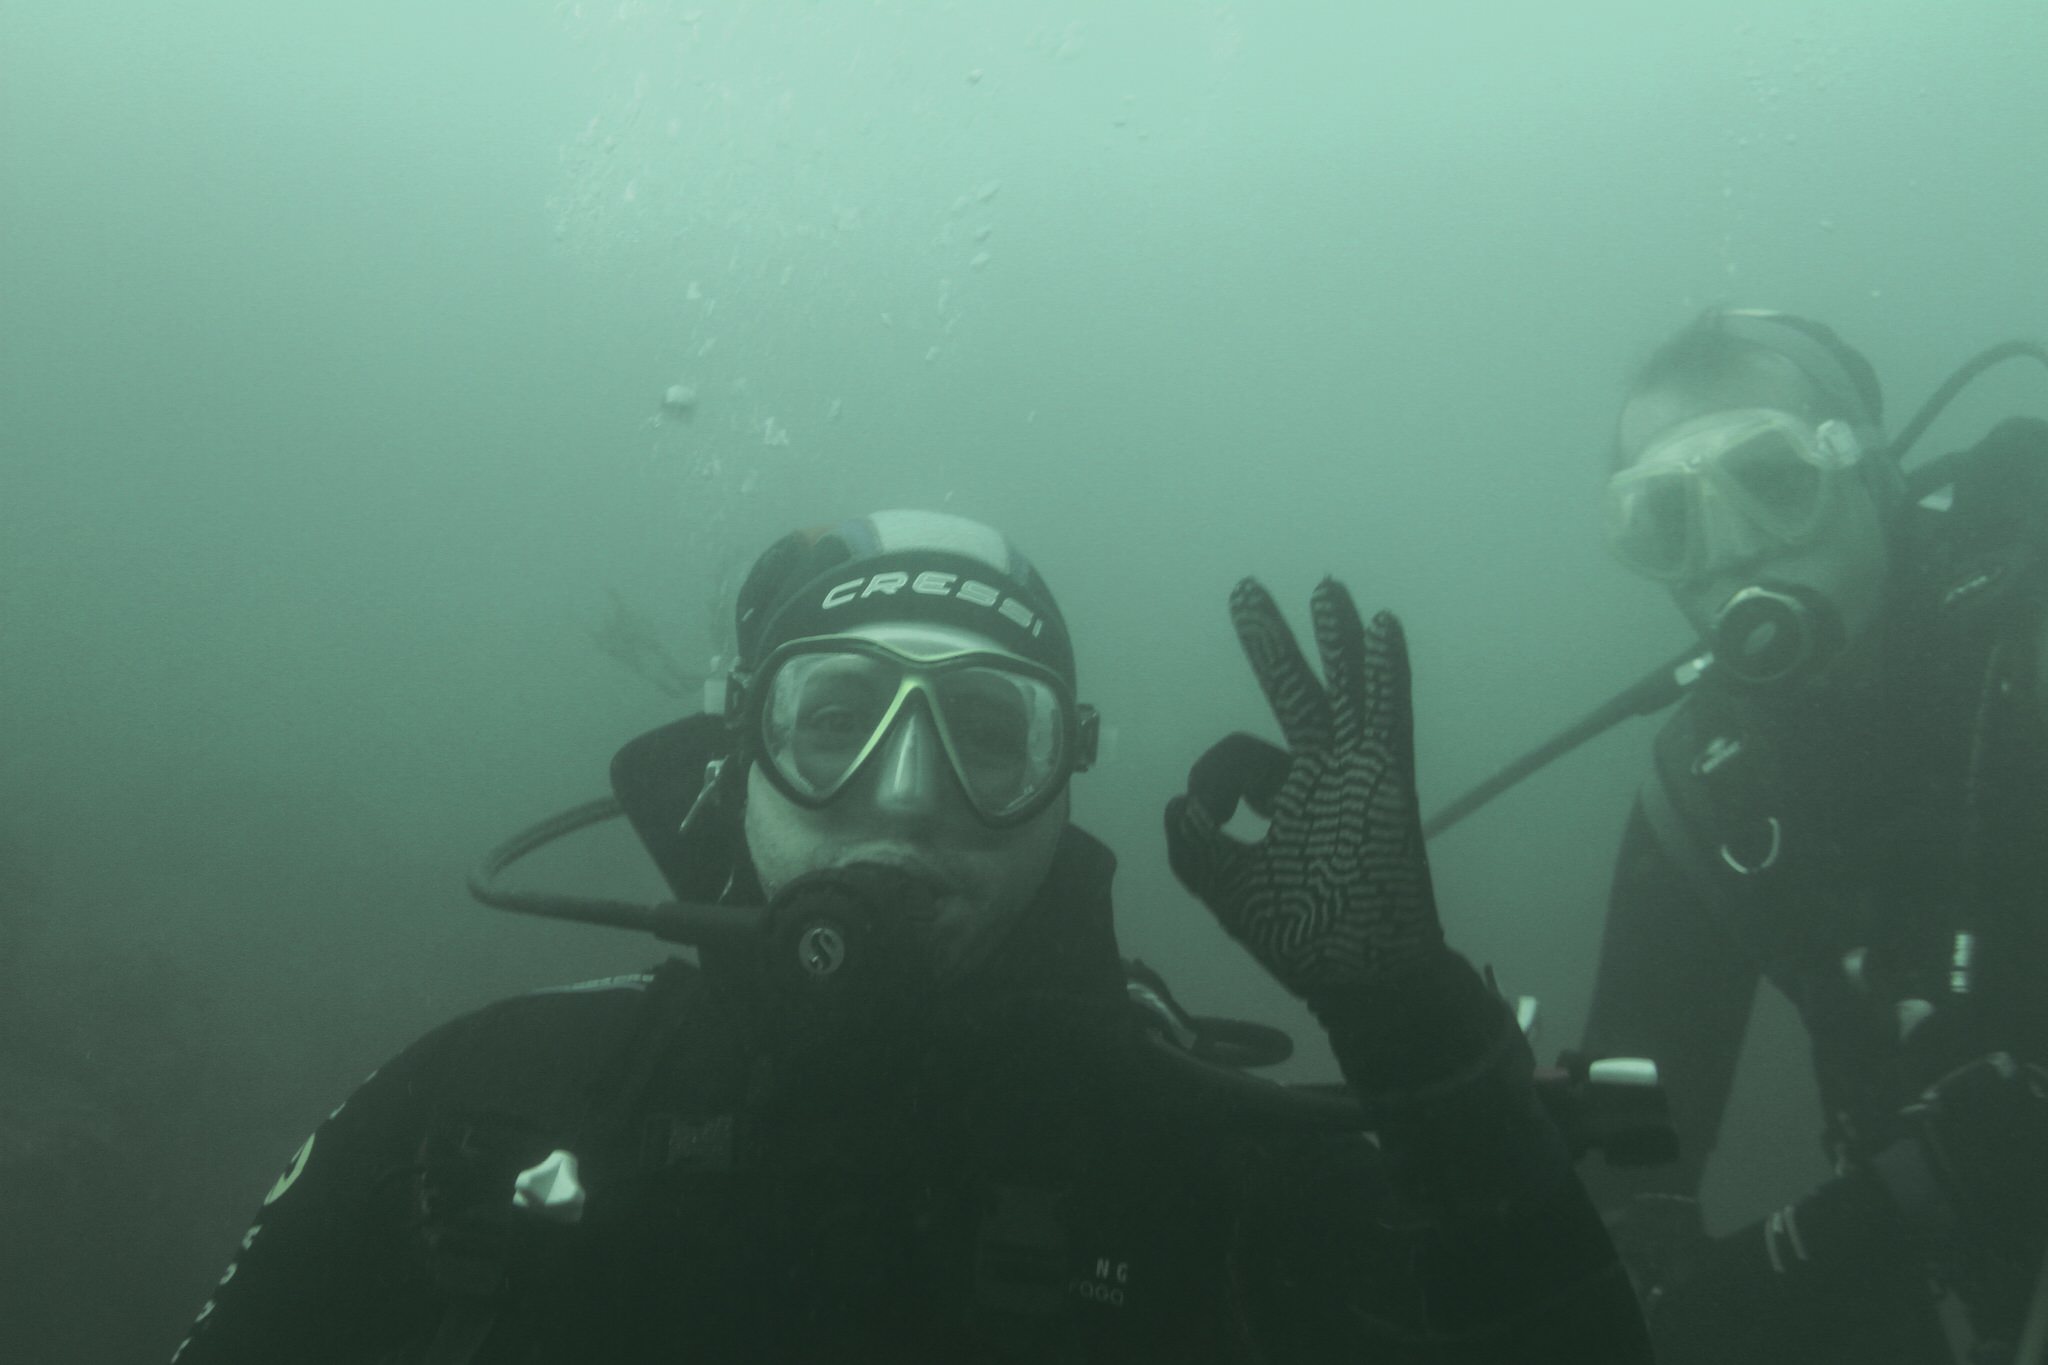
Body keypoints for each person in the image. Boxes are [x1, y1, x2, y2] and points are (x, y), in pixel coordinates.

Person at [172, 509, 1650, 1363]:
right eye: (832, 717)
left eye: (985, 736)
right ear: (736, 753)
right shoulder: (496, 1089)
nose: (900, 792)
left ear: (1061, 783)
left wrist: (1415, 1029)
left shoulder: (1215, 1164)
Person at [1581, 309, 2048, 1362]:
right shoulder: (1706, 790)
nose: (1729, 548)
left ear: (1867, 470)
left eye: (1770, 478)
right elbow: (1626, 1096)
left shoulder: (2031, 626)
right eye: (1666, 520)